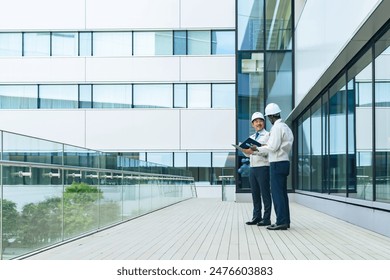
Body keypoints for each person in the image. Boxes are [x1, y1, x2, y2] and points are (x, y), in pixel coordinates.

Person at [255, 103, 294, 230]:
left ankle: (281, 222)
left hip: (276, 163)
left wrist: (257, 148)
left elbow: (272, 147)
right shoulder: (286, 127)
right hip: (284, 162)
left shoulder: (276, 128)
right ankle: (285, 221)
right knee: (282, 194)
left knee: (277, 194)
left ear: (271, 117)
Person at [242, 112, 272, 227]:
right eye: (256, 122)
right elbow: (249, 155)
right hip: (253, 168)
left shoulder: (268, 135)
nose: (258, 123)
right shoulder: (252, 137)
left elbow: (268, 151)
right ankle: (256, 217)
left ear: (263, 123)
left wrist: (255, 150)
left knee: (265, 194)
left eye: (260, 121)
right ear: (252, 124)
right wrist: (245, 151)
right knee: (255, 194)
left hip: (263, 167)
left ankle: (266, 218)